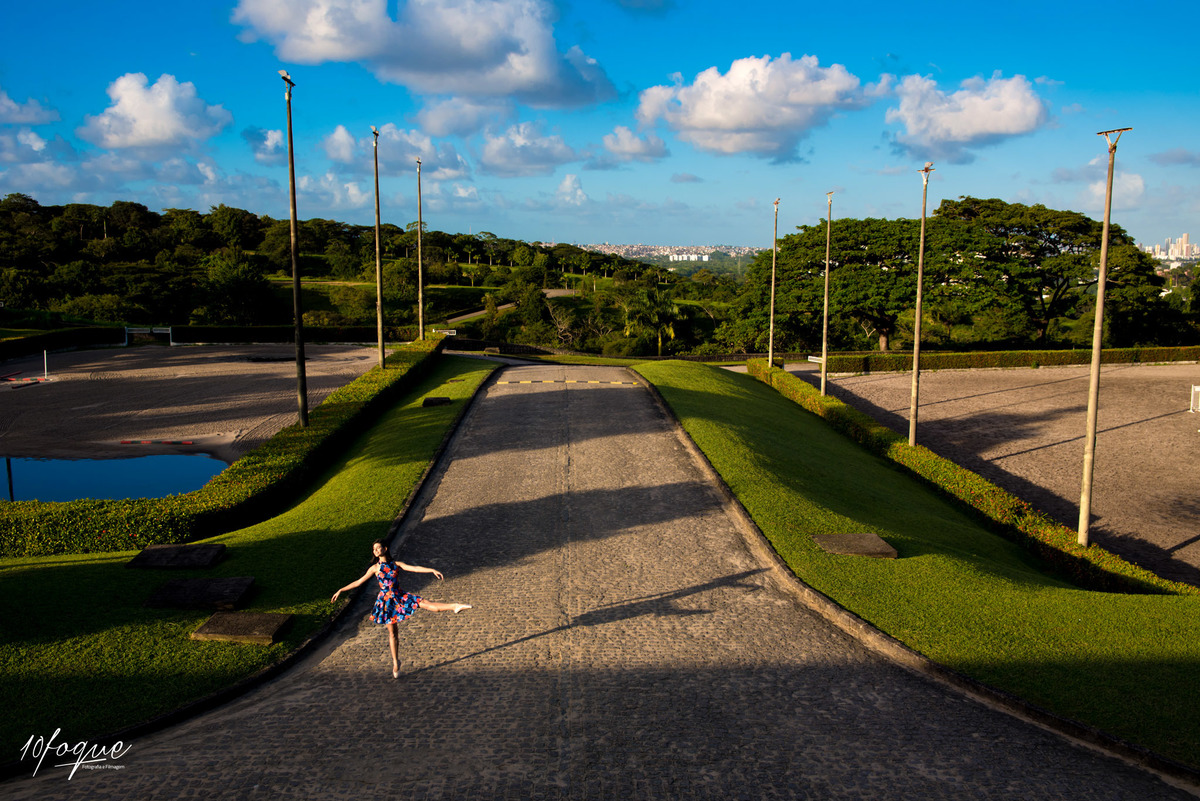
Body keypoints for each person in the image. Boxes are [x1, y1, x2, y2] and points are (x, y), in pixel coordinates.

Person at [331, 539, 471, 678]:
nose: (376, 551)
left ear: (385, 549)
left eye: (378, 548)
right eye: (374, 549)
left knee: (426, 603)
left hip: (400, 596)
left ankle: (454, 606)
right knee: (392, 633)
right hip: (386, 602)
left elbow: (414, 568)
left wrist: (431, 570)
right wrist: (341, 590)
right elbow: (359, 581)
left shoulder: (395, 564)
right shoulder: (375, 568)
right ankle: (395, 662)